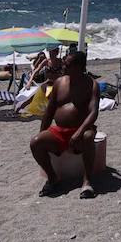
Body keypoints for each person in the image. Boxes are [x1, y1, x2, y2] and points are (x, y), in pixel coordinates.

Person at [30, 51, 101, 198]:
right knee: (36, 142)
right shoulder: (59, 82)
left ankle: (87, 181)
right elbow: (49, 111)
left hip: (81, 130)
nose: (63, 66)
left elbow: (93, 112)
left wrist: (79, 132)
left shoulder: (91, 85)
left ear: (79, 67)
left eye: (67, 65)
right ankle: (53, 177)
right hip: (60, 130)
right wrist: (42, 131)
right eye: (64, 63)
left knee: (88, 136)